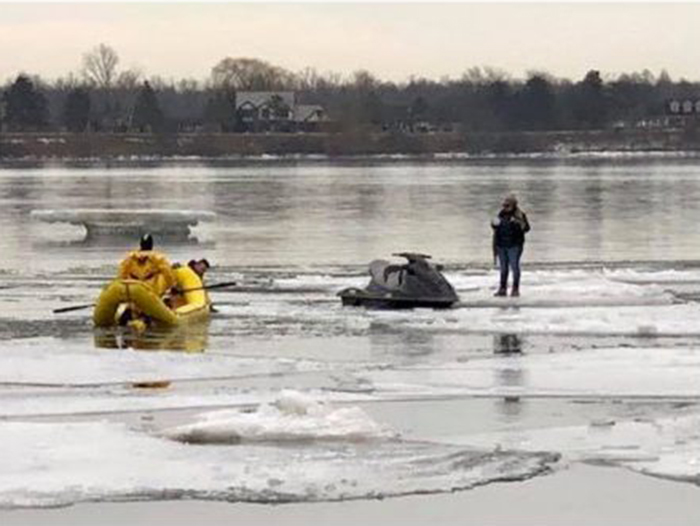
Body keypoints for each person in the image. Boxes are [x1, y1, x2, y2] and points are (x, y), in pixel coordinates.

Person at [491, 194, 530, 297]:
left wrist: (517, 224)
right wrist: (493, 225)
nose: (505, 207)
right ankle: (502, 289)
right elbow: (496, 229)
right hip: (501, 245)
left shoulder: (520, 215)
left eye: (507, 205)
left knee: (514, 267)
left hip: (514, 246)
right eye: (504, 205)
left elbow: (526, 229)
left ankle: (515, 289)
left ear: (513, 205)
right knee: (503, 268)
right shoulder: (501, 214)